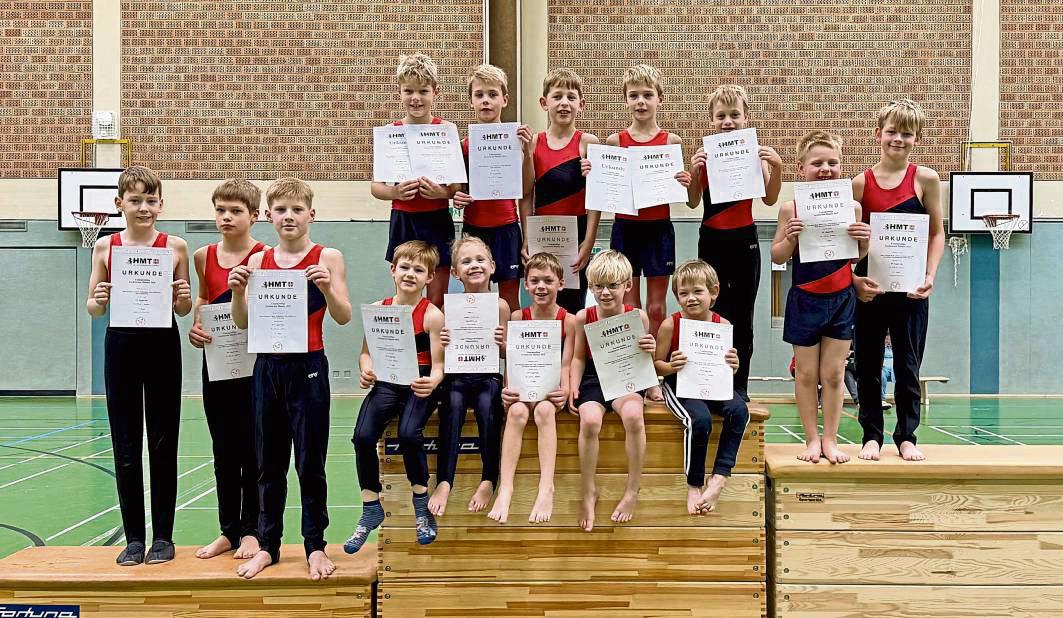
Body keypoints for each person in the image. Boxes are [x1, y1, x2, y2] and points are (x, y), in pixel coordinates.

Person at [229, 177, 353, 580]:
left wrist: (328, 288)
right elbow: (242, 322)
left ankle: (315, 546)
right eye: (280, 210)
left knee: (310, 463)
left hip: (309, 367)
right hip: (267, 368)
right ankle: (268, 546)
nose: (288, 217)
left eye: (297, 210)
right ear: (268, 216)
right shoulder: (258, 260)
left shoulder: (327, 256)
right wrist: (236, 293)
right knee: (268, 464)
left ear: (311, 215)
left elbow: (343, 315)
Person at [86, 165, 192, 566]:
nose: (143, 207)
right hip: (122, 347)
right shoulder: (104, 248)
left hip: (162, 345)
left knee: (164, 445)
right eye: (135, 200)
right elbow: (94, 309)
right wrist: (98, 296)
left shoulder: (175, 247)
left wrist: (182, 295)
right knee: (126, 447)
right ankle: (133, 539)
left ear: (161, 204)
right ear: (119, 204)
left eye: (150, 200)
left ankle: (163, 537)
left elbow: (182, 307)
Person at [852, 99, 944, 462]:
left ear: (916, 139)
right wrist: (855, 282)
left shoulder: (926, 180)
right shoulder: (861, 183)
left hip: (911, 290)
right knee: (869, 363)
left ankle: (907, 436)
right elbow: (851, 242)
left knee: (908, 365)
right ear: (878, 134)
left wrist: (930, 275)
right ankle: (871, 435)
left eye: (906, 133)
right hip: (871, 290)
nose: (898, 139)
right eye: (891, 131)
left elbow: (937, 233)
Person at [770, 131, 870, 464]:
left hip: (841, 297)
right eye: (817, 163)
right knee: (806, 374)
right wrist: (791, 237)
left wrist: (864, 239)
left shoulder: (852, 206)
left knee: (835, 374)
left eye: (832, 162)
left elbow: (856, 257)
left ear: (841, 166)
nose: (825, 169)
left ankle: (831, 440)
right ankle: (811, 439)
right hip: (805, 298)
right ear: (802, 168)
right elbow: (778, 256)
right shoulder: (790, 208)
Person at [345, 241, 444, 554]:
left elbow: (440, 365)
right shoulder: (378, 310)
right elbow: (365, 353)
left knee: (408, 433)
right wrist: (366, 370)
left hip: (419, 384)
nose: (410, 274)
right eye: (405, 267)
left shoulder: (432, 315)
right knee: (361, 436)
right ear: (393, 270)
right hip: (387, 384)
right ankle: (371, 505)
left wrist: (433, 381)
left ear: (429, 277)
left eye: (419, 270)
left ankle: (421, 503)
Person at [687, 85, 783, 402]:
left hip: (745, 242)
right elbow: (691, 203)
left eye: (734, 115)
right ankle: (707, 383)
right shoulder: (705, 156)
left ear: (746, 118)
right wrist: (694, 171)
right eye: (721, 116)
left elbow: (769, 199)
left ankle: (739, 386)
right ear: (711, 120)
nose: (728, 122)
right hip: (712, 240)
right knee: (710, 311)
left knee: (743, 318)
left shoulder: (756, 155)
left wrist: (777, 167)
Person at [188, 179, 266, 560]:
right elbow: (203, 297)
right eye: (220, 210)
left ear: (254, 216)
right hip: (217, 365)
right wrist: (197, 324)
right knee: (223, 451)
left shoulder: (266, 256)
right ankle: (228, 530)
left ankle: (252, 530)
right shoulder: (203, 255)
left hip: (256, 369)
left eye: (235, 211)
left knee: (253, 450)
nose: (226, 217)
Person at [600, 64, 690, 337]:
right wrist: (595, 175)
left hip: (658, 228)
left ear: (659, 99)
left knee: (656, 308)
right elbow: (606, 187)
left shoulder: (670, 141)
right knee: (629, 305)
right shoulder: (615, 141)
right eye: (634, 95)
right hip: (625, 229)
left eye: (648, 95)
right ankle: (633, 368)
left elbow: (681, 190)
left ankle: (654, 367)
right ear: (625, 99)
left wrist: (684, 181)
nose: (641, 101)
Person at [570, 250, 656, 531]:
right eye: (598, 286)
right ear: (590, 287)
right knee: (591, 420)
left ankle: (633, 489)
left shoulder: (638, 316)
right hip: (595, 377)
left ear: (627, 286)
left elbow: (644, 359)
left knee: (633, 415)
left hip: (625, 376)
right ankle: (588, 490)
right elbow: (578, 357)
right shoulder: (584, 317)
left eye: (612, 286)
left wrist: (650, 353)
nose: (605, 293)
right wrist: (572, 386)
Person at [653, 259, 747, 514]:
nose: (691, 298)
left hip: (714, 385)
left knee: (740, 411)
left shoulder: (722, 325)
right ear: (677, 297)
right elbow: (655, 366)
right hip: (680, 386)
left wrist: (734, 364)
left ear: (713, 292)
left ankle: (720, 476)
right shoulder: (670, 325)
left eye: (698, 291)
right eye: (683, 293)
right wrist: (671, 366)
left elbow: (729, 367)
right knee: (701, 420)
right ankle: (694, 484)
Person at [488, 252, 575, 524]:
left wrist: (565, 389)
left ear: (561, 284)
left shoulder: (568, 320)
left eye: (548, 280)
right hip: (523, 388)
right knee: (515, 414)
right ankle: (505, 488)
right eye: (534, 280)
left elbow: (568, 362)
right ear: (525, 285)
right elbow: (512, 361)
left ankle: (546, 487)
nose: (541, 286)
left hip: (550, 392)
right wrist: (506, 389)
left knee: (545, 412)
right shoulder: (517, 316)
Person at [371, 53, 461, 307]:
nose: (416, 98)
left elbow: (457, 186)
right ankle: (404, 346)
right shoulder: (391, 132)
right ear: (399, 92)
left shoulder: (447, 130)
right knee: (406, 295)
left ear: (436, 92)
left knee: (436, 298)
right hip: (403, 218)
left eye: (423, 91)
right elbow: (376, 187)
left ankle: (430, 346)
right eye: (408, 91)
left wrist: (442, 193)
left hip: (437, 218)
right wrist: (395, 193)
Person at [429, 236, 510, 516]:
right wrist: (445, 338)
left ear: (492, 266)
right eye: (466, 261)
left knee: (489, 407)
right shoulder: (448, 308)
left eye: (479, 260)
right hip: (457, 375)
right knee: (451, 407)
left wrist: (502, 344)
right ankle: (444, 481)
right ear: (454, 272)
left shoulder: (500, 306)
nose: (474, 265)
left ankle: (489, 478)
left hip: (487, 376)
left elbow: (506, 355)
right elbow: (439, 352)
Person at [452, 64, 533, 310]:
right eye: (479, 95)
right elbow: (457, 188)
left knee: (509, 300)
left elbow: (526, 190)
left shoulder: (517, 139)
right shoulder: (463, 145)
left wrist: (527, 153)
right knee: (476, 298)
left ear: (505, 99)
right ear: (471, 101)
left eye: (492, 94)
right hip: (474, 228)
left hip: (507, 227)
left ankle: (508, 349)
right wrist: (456, 197)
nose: (486, 101)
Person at [523, 68, 600, 315]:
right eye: (557, 97)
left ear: (581, 104)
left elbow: (595, 200)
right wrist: (526, 236)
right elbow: (525, 195)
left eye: (571, 97)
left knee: (573, 307)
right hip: (541, 232)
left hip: (575, 234)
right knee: (543, 302)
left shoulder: (588, 143)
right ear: (544, 103)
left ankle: (572, 354)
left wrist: (588, 243)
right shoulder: (533, 143)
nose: (564, 103)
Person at [881, 334, 894, 410]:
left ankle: (902, 398)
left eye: (889, 337)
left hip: (894, 367)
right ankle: (882, 399)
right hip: (884, 368)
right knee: (881, 374)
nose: (887, 340)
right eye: (886, 338)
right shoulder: (882, 347)